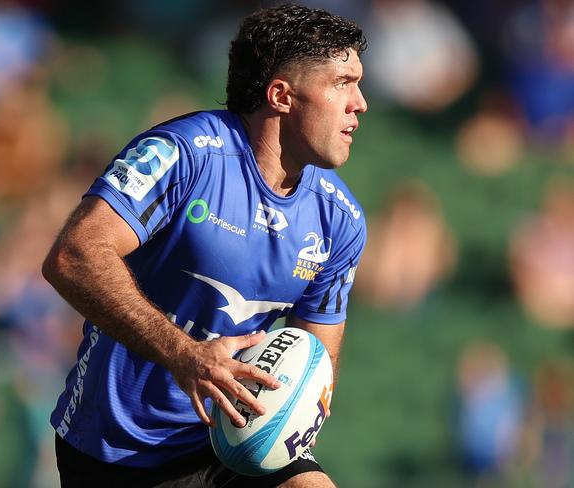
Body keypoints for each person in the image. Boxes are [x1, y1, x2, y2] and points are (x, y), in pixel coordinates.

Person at [42, 4, 368, 487]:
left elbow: (317, 363)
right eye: (342, 83)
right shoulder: (184, 154)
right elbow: (74, 256)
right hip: (117, 451)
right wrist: (186, 355)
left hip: (232, 439)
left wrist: (283, 424)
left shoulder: (339, 218)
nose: (359, 102)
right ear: (281, 95)